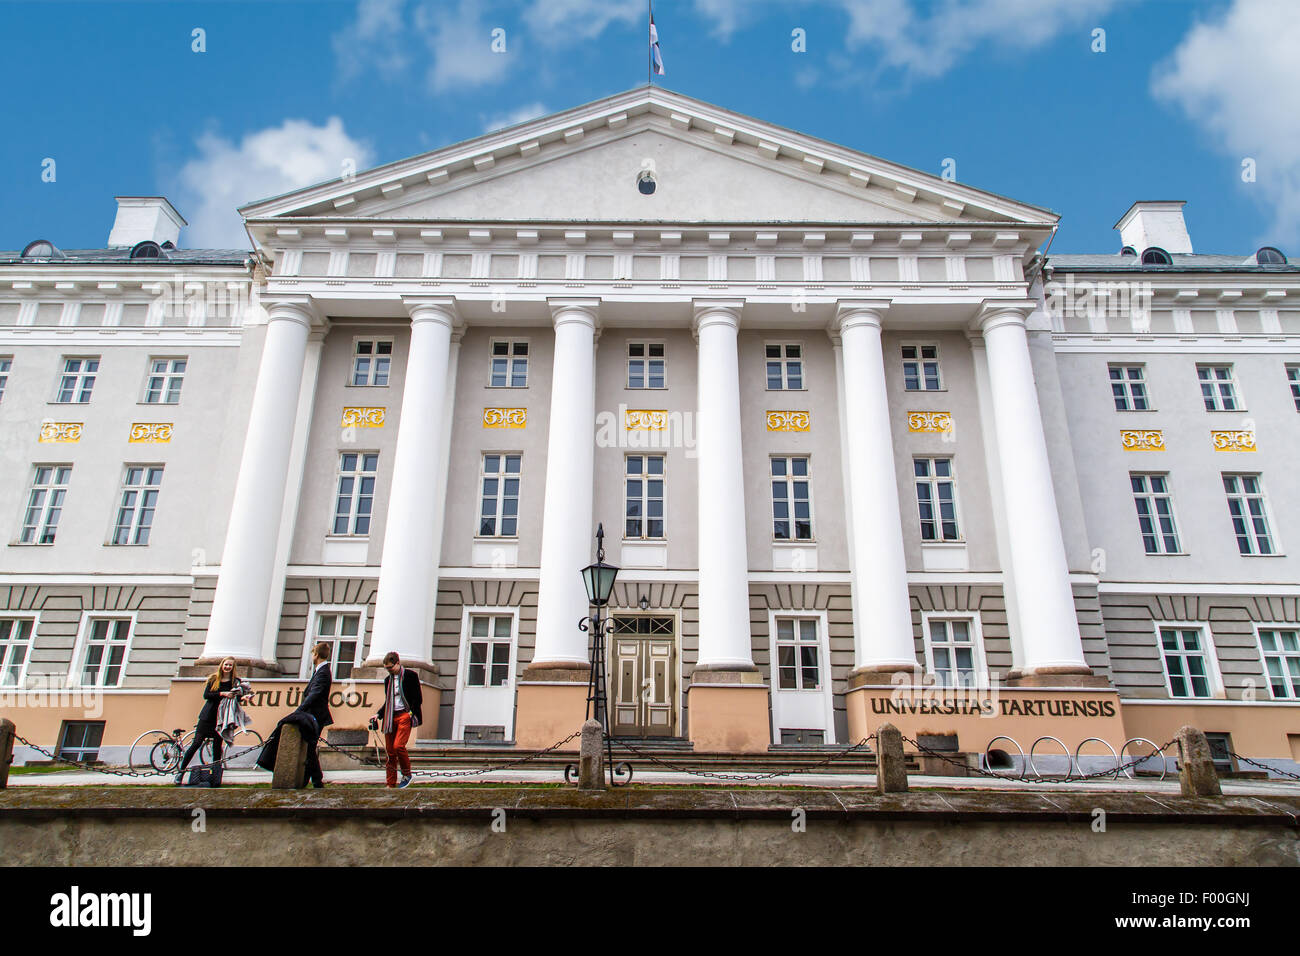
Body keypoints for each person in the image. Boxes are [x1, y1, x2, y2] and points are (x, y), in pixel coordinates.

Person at [176, 657, 252, 786]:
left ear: (233, 668)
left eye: (230, 665)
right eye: (226, 664)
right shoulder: (213, 679)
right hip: (208, 716)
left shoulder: (235, 681)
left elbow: (236, 698)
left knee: (217, 747)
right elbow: (206, 695)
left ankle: (215, 777)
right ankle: (181, 772)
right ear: (222, 665)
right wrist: (222, 693)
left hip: (222, 718)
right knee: (196, 743)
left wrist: (244, 697)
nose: (227, 667)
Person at [369, 651, 422, 788]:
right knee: (390, 752)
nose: (389, 671)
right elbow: (388, 701)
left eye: (391, 667)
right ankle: (390, 783)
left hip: (405, 714)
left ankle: (406, 774)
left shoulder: (411, 676)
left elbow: (418, 698)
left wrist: (411, 713)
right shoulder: (388, 680)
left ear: (398, 663)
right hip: (390, 716)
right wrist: (378, 715)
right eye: (387, 668)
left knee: (398, 746)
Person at [296, 642, 334, 788]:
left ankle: (317, 780)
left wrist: (300, 710)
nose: (312, 656)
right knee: (309, 749)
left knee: (310, 748)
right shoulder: (321, 670)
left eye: (313, 653)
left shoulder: (323, 672)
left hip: (315, 715)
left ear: (316, 655)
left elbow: (315, 694)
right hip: (314, 715)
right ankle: (310, 780)